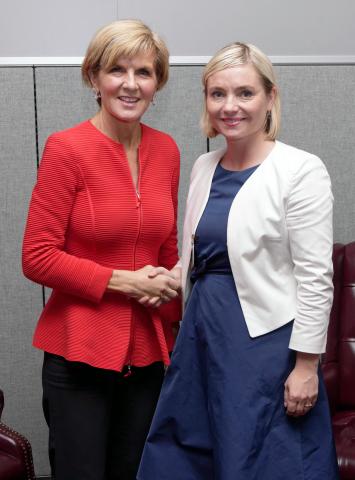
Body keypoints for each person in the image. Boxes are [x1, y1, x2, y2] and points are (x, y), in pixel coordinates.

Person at [137, 42, 339, 479]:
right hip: (201, 338)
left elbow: (316, 278)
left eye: (245, 93)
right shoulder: (204, 166)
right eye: (218, 94)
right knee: (188, 455)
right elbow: (208, 258)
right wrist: (169, 277)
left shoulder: (300, 170)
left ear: (270, 97)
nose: (230, 106)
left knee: (261, 459)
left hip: (265, 346)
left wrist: (306, 366)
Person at [22, 19, 181, 480]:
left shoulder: (167, 150)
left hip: (150, 354)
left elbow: (167, 246)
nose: (130, 84)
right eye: (117, 70)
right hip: (80, 353)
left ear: (158, 82)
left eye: (145, 72)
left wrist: (168, 284)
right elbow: (37, 256)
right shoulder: (66, 149)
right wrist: (124, 281)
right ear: (94, 78)